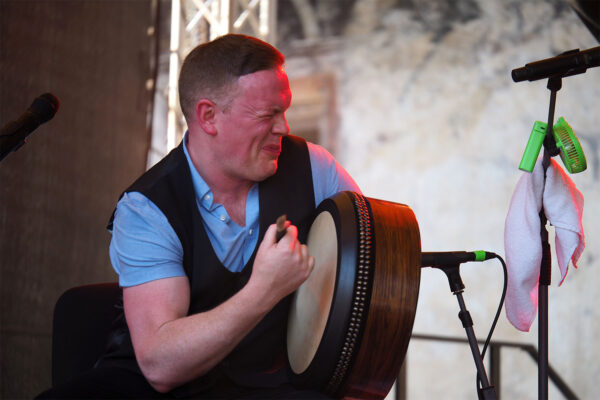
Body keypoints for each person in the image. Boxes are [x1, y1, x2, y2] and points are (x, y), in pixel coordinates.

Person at [37, 33, 360, 399]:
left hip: (264, 382)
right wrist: (263, 290)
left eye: (284, 111)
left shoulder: (313, 166)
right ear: (209, 116)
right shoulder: (147, 207)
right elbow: (161, 367)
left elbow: (377, 247)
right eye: (268, 114)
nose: (284, 127)